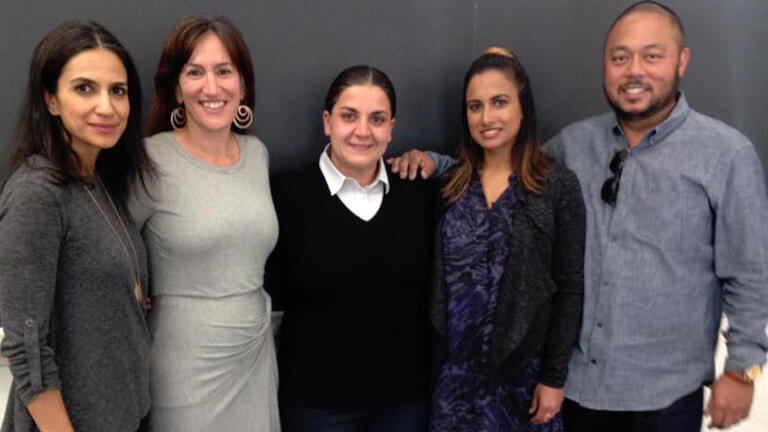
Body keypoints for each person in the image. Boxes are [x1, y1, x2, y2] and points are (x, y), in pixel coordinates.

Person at [389, 2, 768, 431]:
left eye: (652, 55)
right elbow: (501, 165)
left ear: (682, 61)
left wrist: (742, 369)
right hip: (579, 390)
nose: (634, 71)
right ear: (605, 65)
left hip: (663, 396)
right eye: (620, 57)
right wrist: (432, 163)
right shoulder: (574, 145)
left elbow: (749, 274)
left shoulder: (726, 155)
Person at [0, 21, 154, 432]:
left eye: (117, 90)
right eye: (84, 88)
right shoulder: (37, 192)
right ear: (51, 100)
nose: (106, 106)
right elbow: (25, 346)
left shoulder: (98, 182)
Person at [265, 65, 437, 432]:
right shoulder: (285, 195)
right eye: (349, 116)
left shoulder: (420, 193)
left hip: (403, 403)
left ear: (392, 128)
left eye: (377, 119)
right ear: (327, 122)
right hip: (315, 406)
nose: (362, 131)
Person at [128, 16, 280, 431]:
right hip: (182, 362)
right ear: (176, 88)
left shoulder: (257, 155)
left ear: (243, 85)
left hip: (254, 351)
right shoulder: (149, 160)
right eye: (195, 72)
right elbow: (110, 246)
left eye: (224, 71)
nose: (211, 88)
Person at [427, 48, 585, 432]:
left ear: (523, 107)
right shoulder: (450, 186)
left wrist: (554, 377)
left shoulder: (556, 186)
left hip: (526, 383)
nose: (486, 118)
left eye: (499, 102)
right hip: (455, 381)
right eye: (475, 106)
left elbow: (569, 288)